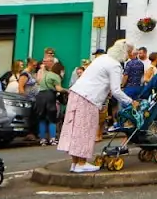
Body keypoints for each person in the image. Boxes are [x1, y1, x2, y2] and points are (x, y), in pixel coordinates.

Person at [57, 40, 137, 173]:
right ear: (124, 52)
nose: (129, 55)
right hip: (89, 98)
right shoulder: (115, 65)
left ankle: (75, 163)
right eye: (129, 52)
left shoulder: (103, 58)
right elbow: (116, 90)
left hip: (76, 93)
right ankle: (81, 163)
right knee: (85, 130)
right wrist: (130, 102)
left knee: (75, 130)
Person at [37, 58, 67, 145]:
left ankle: (42, 139)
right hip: (49, 96)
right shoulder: (56, 76)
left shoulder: (45, 74)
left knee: (42, 118)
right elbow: (59, 89)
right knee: (52, 119)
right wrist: (67, 90)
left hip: (40, 96)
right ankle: (52, 138)